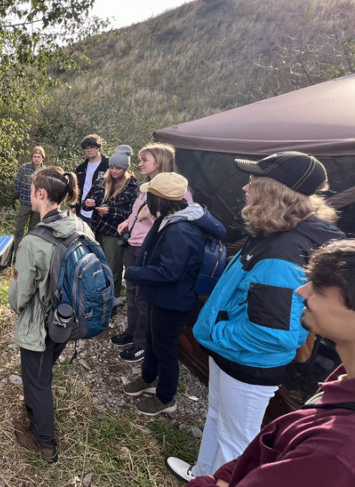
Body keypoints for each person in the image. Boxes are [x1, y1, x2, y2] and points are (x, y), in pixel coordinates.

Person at [167, 151, 344, 482]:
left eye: (253, 183)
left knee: (236, 441)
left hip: (249, 363)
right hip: (233, 355)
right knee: (217, 415)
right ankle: (202, 474)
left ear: (273, 191)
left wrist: (215, 332)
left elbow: (274, 333)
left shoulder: (284, 252)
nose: (246, 189)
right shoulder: (276, 232)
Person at [185, 239, 355, 487]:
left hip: (249, 367)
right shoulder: (343, 380)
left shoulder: (334, 454)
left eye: (318, 287)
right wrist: (222, 476)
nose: (301, 291)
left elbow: (274, 333)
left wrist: (208, 482)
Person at [122, 172, 226, 416]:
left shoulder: (181, 231)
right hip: (160, 297)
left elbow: (168, 272)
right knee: (152, 339)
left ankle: (166, 397)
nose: (147, 200)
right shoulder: (169, 219)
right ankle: (148, 378)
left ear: (161, 200)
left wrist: (134, 273)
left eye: (150, 197)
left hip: (173, 301)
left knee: (165, 348)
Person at [10, 167, 92, 464]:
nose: (30, 194)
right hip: (71, 319)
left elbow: (18, 297)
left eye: (32, 190)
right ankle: (33, 410)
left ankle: (45, 443)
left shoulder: (33, 242)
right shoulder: (81, 227)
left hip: (43, 326)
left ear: (41, 194)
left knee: (38, 381)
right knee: (41, 372)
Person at [111, 142, 188, 363]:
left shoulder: (173, 189)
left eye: (145, 159)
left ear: (160, 162)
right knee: (133, 294)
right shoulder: (147, 186)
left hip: (149, 250)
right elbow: (138, 213)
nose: (139, 163)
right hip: (133, 246)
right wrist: (127, 222)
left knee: (144, 298)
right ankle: (131, 332)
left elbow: (177, 218)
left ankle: (142, 344)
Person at [87, 145, 139, 305]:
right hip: (96, 230)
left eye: (118, 168)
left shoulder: (132, 187)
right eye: (112, 167)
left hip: (114, 233)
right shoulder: (101, 181)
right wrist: (88, 203)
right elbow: (87, 201)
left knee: (112, 269)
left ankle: (112, 300)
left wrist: (110, 211)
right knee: (94, 267)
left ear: (125, 168)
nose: (114, 171)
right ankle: (96, 298)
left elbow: (132, 214)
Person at [12, 146, 46, 261]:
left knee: (33, 231)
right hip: (25, 203)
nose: (36, 159)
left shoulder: (45, 172)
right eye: (34, 157)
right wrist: (21, 196)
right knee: (19, 230)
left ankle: (28, 255)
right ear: (32, 157)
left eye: (39, 157)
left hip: (37, 206)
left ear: (42, 158)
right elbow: (17, 183)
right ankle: (17, 255)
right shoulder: (24, 168)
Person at [74, 134, 109, 224]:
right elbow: (75, 188)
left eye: (92, 147)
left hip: (101, 212)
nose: (89, 150)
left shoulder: (109, 165)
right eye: (86, 148)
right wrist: (73, 205)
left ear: (98, 147)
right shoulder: (80, 168)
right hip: (82, 211)